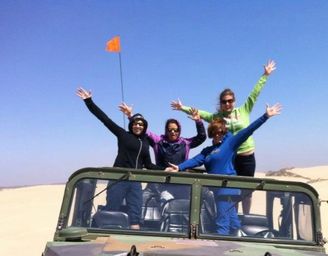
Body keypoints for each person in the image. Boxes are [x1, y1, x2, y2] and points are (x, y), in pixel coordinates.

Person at [171, 60, 276, 214]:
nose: (227, 104)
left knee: (247, 192)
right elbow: (199, 113)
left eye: (230, 101)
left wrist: (265, 75)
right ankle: (234, 216)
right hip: (229, 158)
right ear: (220, 103)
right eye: (224, 102)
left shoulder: (244, 110)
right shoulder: (217, 118)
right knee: (233, 190)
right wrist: (182, 108)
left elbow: (254, 93)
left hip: (246, 157)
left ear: (234, 101)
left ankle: (245, 216)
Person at [166, 103, 282, 235]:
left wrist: (265, 116)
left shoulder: (230, 144)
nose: (217, 135)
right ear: (211, 133)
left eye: (220, 132)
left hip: (227, 190)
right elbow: (195, 160)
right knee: (233, 224)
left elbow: (248, 130)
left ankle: (222, 247)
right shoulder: (207, 151)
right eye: (215, 132)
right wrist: (179, 167)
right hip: (218, 191)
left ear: (224, 132)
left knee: (222, 226)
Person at [76, 87, 162, 229]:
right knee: (112, 210)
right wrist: (89, 101)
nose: (138, 126)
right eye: (135, 123)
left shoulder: (145, 142)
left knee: (135, 215)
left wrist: (166, 169)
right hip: (118, 179)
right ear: (131, 125)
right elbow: (105, 119)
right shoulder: (123, 135)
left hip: (135, 181)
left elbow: (149, 165)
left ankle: (134, 237)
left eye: (141, 124)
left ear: (145, 127)